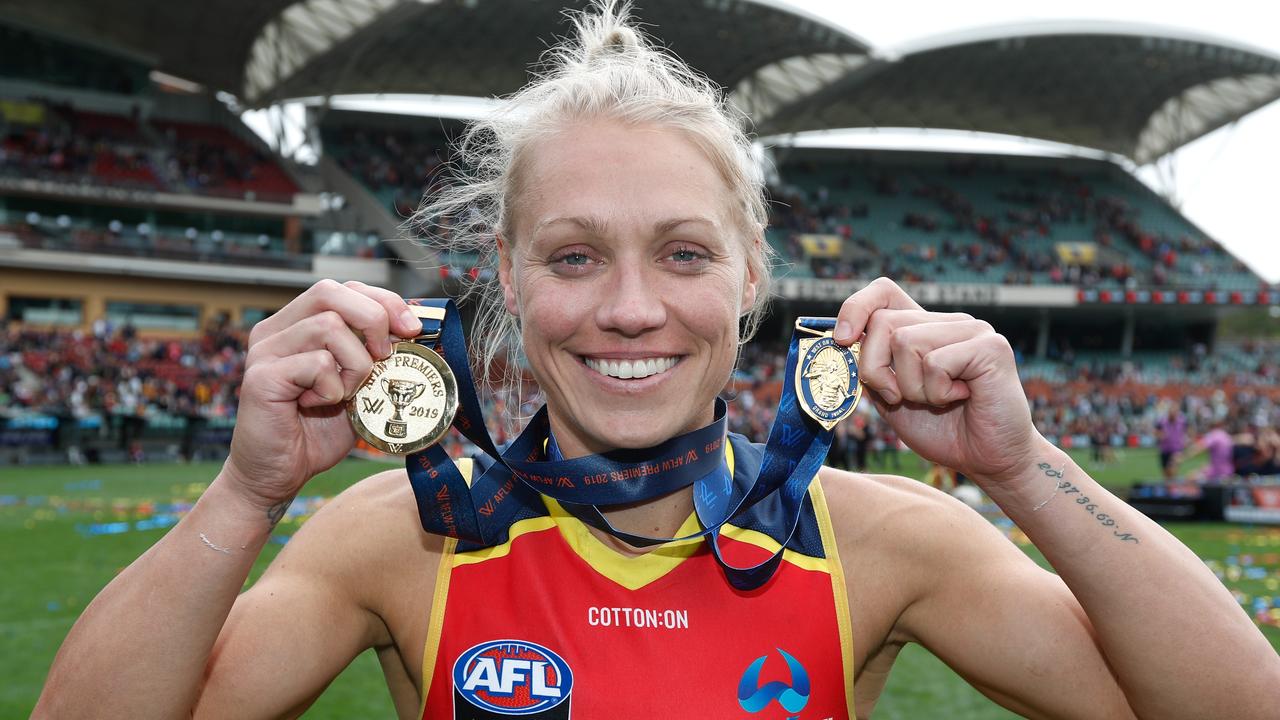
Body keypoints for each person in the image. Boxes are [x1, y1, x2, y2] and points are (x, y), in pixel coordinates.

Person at [35, 3, 1279, 718]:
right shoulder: (396, 539)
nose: (630, 309)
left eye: (682, 254)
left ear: (748, 280)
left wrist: (1022, 467)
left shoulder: (875, 538)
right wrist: (247, 495)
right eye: (572, 259)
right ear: (506, 285)